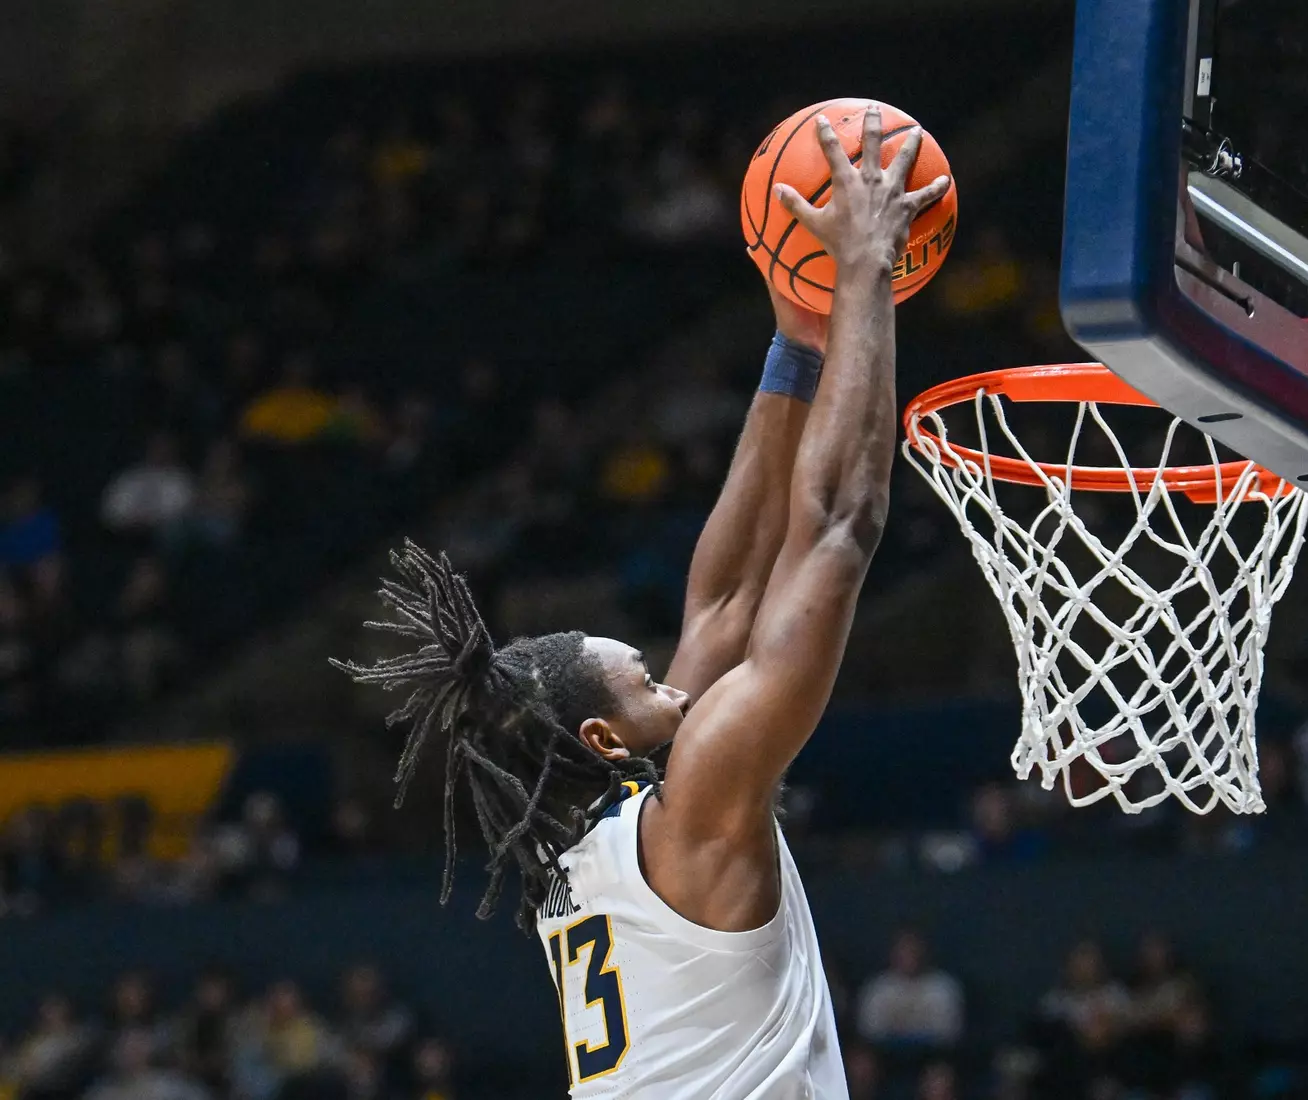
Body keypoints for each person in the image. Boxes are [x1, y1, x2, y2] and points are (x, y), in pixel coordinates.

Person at [332, 105, 950, 1098]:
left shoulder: (593, 851)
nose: (677, 676)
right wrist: (867, 270)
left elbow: (726, 596)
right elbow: (837, 525)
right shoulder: (691, 802)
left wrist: (797, 339)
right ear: (602, 737)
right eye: (650, 678)